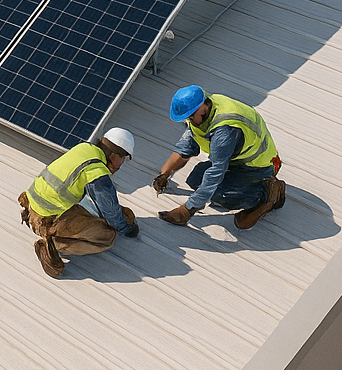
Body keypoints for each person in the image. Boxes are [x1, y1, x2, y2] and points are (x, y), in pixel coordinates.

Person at [154, 86, 286, 229]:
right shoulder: (203, 111)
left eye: (190, 117)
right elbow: (187, 146)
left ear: (202, 106)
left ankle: (268, 194)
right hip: (237, 161)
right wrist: (164, 173)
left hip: (259, 166)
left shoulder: (224, 130)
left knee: (221, 194)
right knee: (196, 178)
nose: (189, 121)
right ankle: (251, 188)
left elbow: (216, 173)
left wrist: (187, 210)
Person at [18, 127, 140, 278]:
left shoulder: (84, 148)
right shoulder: (97, 172)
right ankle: (52, 244)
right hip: (45, 219)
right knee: (107, 236)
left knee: (96, 209)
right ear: (114, 156)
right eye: (123, 159)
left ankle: (53, 232)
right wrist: (127, 229)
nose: (121, 165)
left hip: (32, 206)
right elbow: (110, 212)